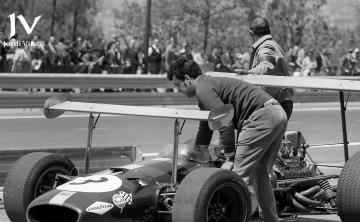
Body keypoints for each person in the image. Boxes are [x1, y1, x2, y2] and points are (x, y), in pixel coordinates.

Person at [168, 57, 287, 222]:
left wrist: (229, 157)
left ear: (187, 79)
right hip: (277, 113)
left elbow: (224, 122)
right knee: (260, 175)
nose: (177, 90)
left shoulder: (203, 89)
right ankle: (271, 219)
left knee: (235, 178)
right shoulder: (207, 84)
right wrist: (200, 148)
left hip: (261, 118)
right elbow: (207, 123)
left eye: (177, 84)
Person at [235, 17, 294, 120]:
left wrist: (250, 72)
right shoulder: (274, 45)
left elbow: (266, 64)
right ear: (270, 30)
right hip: (281, 103)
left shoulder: (265, 47)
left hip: (273, 106)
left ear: (251, 32)